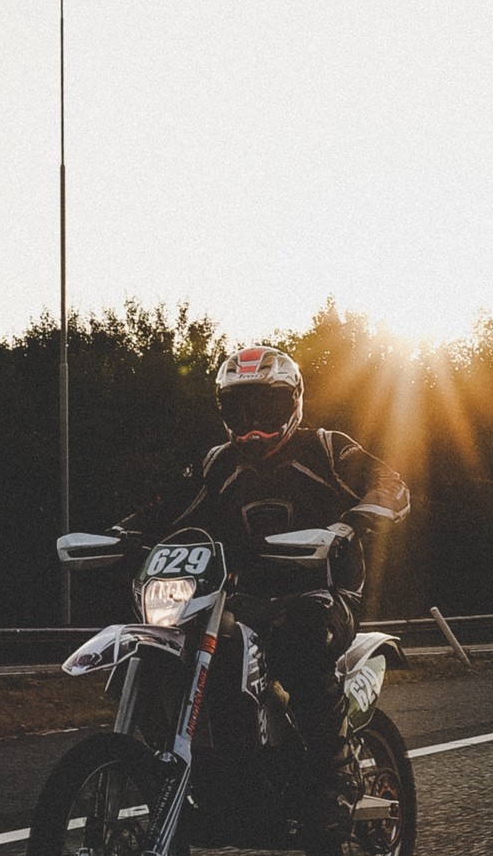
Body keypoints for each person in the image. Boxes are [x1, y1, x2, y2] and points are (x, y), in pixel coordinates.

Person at [115, 345, 410, 827]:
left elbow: (390, 484)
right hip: (243, 598)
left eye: (266, 410)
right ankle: (221, 771)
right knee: (190, 645)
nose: (252, 426)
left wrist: (358, 518)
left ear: (292, 402)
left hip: (324, 592)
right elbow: (169, 506)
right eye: (239, 411)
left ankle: (335, 776)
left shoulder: (327, 448)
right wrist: (125, 533)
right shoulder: (218, 463)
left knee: (299, 639)